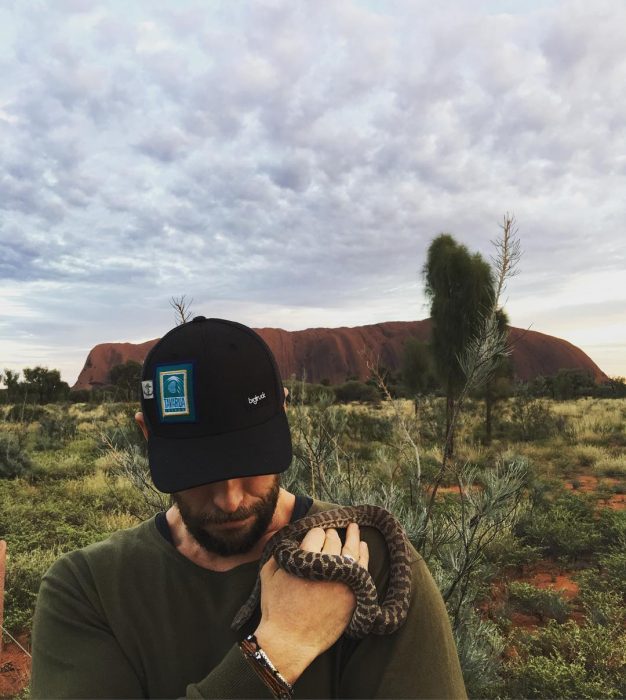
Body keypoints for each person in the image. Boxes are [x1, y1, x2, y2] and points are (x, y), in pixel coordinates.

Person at [30, 317, 467, 699]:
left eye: (250, 460)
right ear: (148, 434)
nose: (230, 499)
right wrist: (279, 648)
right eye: (198, 469)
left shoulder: (373, 557)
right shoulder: (87, 590)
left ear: (283, 411)